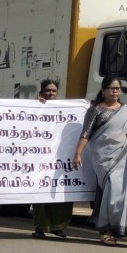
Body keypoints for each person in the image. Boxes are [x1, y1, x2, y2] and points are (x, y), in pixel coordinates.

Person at [72, 75, 127, 246]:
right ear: (103, 90)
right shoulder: (96, 110)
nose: (115, 91)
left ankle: (115, 227)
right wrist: (77, 154)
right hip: (103, 157)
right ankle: (105, 229)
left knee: (120, 192)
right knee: (113, 188)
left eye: (117, 89)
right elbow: (86, 133)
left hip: (122, 156)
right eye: (111, 88)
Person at [32, 79, 74, 239]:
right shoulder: (35, 107)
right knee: (41, 191)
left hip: (59, 158)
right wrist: (36, 105)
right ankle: (40, 227)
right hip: (40, 157)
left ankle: (58, 226)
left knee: (60, 190)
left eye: (54, 91)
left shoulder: (64, 110)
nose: (51, 93)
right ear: (41, 92)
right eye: (48, 91)